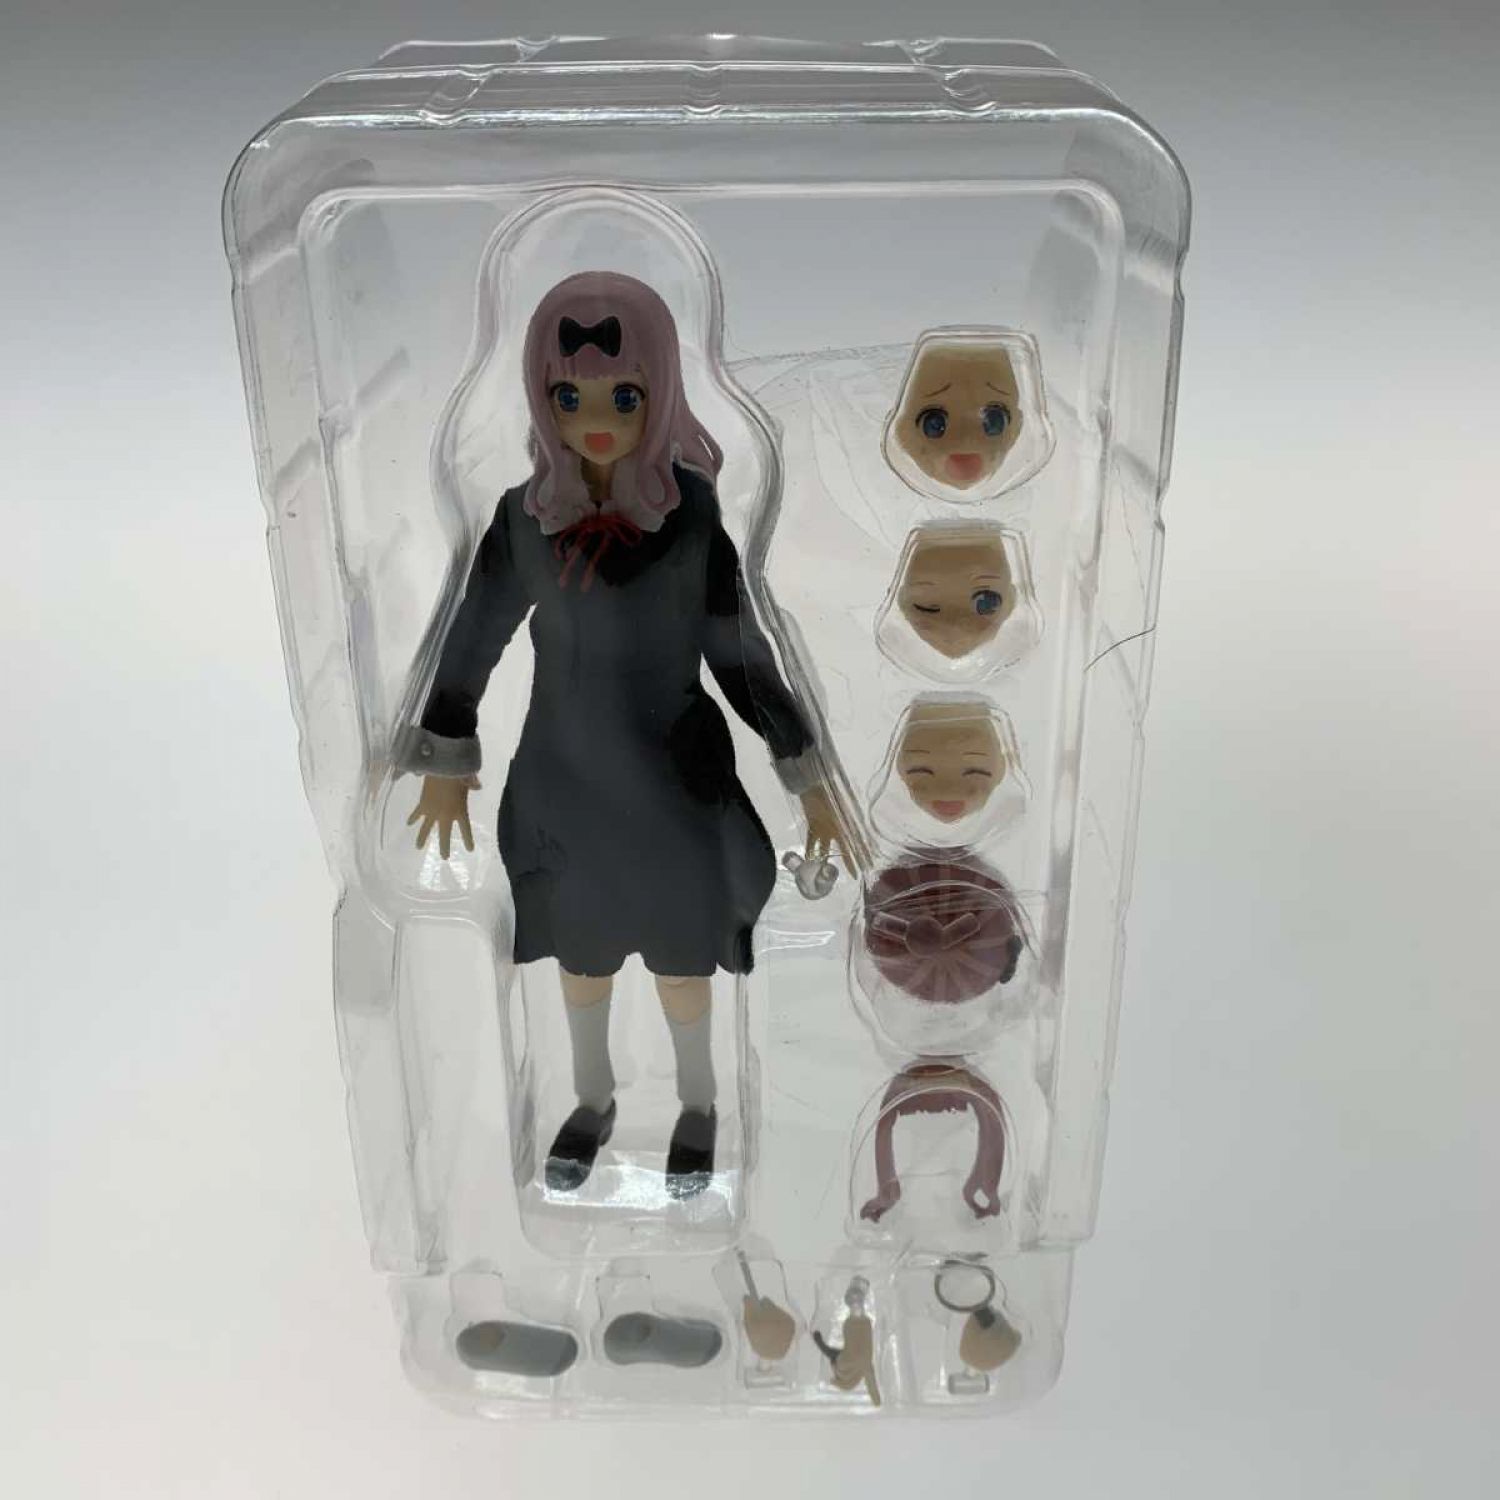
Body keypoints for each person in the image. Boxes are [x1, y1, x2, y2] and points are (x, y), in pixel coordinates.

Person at [401, 271, 839, 1198]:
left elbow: (739, 651)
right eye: (570, 397)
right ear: (541, 399)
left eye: (624, 396)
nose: (596, 418)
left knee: (684, 968)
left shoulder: (692, 516)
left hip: (675, 785)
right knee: (582, 965)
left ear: (661, 392)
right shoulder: (525, 520)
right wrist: (446, 754)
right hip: (565, 782)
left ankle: (698, 1105)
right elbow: (472, 635)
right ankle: (592, 1100)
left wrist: (805, 770)